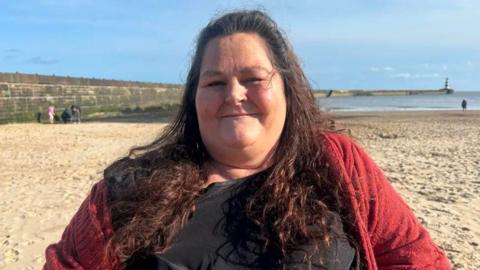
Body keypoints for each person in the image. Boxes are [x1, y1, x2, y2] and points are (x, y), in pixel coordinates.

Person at [44, 10, 451, 270]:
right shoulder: (129, 189)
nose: (234, 94)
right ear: (194, 98)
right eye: (215, 81)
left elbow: (415, 258)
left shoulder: (337, 164)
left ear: (288, 91)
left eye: (254, 79)